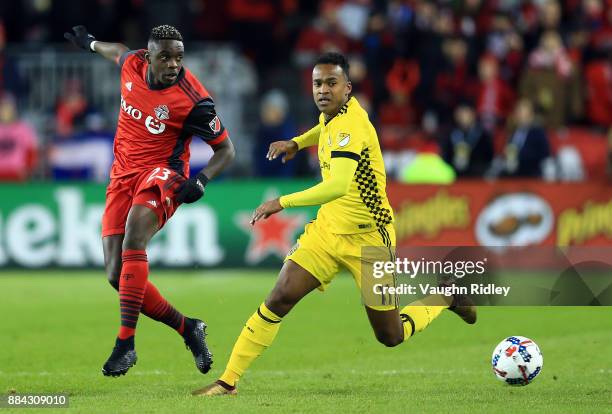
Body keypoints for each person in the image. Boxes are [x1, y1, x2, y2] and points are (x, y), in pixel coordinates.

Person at [192, 52, 476, 396]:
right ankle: (228, 381)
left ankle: (447, 295)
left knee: (390, 336)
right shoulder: (333, 116)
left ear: (348, 88)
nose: (322, 90)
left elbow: (337, 186)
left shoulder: (353, 126)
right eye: (317, 83)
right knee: (280, 296)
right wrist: (297, 142)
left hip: (369, 239)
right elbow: (324, 129)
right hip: (327, 232)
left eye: (331, 83)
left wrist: (280, 202)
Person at [64, 25, 235, 377]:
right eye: (166, 57)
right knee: (115, 274)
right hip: (121, 176)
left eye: (179, 57)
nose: (174, 64)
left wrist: (200, 180)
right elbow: (118, 51)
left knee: (135, 235)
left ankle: (125, 344)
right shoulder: (132, 65)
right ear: (149, 56)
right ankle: (188, 327)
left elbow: (226, 150)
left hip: (164, 174)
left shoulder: (194, 101)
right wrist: (91, 43)